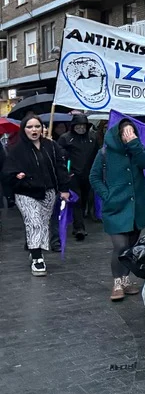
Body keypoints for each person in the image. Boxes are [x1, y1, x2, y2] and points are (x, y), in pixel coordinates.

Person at [90, 120, 145, 300]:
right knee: (120, 246)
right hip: (115, 207)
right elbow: (94, 177)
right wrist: (107, 195)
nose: (128, 135)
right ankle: (117, 282)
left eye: (132, 132)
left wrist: (134, 144)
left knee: (130, 247)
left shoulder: (137, 149)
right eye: (126, 132)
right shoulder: (104, 153)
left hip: (136, 208)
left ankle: (125, 279)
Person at [3, 114, 70, 276]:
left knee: (43, 223)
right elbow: (7, 172)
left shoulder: (51, 146)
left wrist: (64, 189)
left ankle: (33, 247)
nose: (34, 130)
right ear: (24, 129)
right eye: (30, 127)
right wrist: (17, 176)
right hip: (25, 192)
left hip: (48, 192)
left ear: (42, 128)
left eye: (37, 126)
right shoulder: (17, 149)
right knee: (34, 223)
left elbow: (60, 167)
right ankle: (37, 258)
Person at [57, 114, 98, 241]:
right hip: (73, 174)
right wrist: (66, 169)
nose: (81, 128)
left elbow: (96, 154)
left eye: (83, 126)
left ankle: (78, 223)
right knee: (77, 200)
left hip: (88, 174)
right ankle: (79, 227)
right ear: (73, 126)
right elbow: (58, 155)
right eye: (78, 126)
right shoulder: (65, 138)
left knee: (84, 198)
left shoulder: (92, 138)